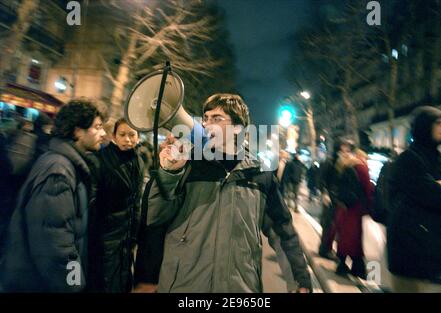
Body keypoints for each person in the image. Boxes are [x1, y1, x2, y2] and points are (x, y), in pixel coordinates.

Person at [145, 93, 311, 293]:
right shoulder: (189, 164)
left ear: (237, 128)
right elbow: (155, 216)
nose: (206, 124)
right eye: (205, 118)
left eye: (216, 119)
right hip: (185, 286)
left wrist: (300, 280)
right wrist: (169, 174)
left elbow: (283, 231)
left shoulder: (260, 175)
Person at [0, 100, 106, 292]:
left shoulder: (68, 165)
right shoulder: (59, 172)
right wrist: (74, 284)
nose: (103, 133)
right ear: (77, 131)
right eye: (97, 127)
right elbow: (55, 246)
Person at [387, 106, 441, 292]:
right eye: (438, 123)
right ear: (424, 126)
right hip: (409, 255)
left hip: (435, 255)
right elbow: (436, 197)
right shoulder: (408, 160)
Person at [88, 118, 144, 293]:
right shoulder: (100, 160)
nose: (127, 139)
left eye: (132, 135)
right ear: (114, 136)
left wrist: (134, 235)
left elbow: (136, 201)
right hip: (106, 236)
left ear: (138, 137)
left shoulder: (139, 161)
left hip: (126, 239)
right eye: (122, 135)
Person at [333, 148, 374, 279]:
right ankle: (359, 269)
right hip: (356, 208)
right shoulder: (362, 168)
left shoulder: (346, 165)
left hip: (345, 206)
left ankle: (342, 264)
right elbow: (367, 189)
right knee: (356, 238)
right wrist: (370, 206)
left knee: (345, 235)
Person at [317, 138, 354, 261]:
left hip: (336, 198)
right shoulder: (331, 161)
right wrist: (325, 193)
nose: (347, 150)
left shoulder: (342, 161)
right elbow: (323, 179)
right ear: (339, 147)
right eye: (345, 146)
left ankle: (326, 248)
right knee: (329, 224)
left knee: (333, 225)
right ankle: (324, 250)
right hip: (331, 198)